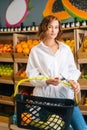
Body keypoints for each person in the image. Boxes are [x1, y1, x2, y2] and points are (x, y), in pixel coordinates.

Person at [26, 15, 87, 130]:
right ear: (44, 28)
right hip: (45, 100)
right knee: (57, 128)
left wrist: (73, 82)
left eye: (56, 27)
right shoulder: (36, 51)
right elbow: (31, 75)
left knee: (82, 127)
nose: (54, 30)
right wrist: (46, 81)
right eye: (50, 27)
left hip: (65, 97)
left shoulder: (65, 49)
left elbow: (72, 70)